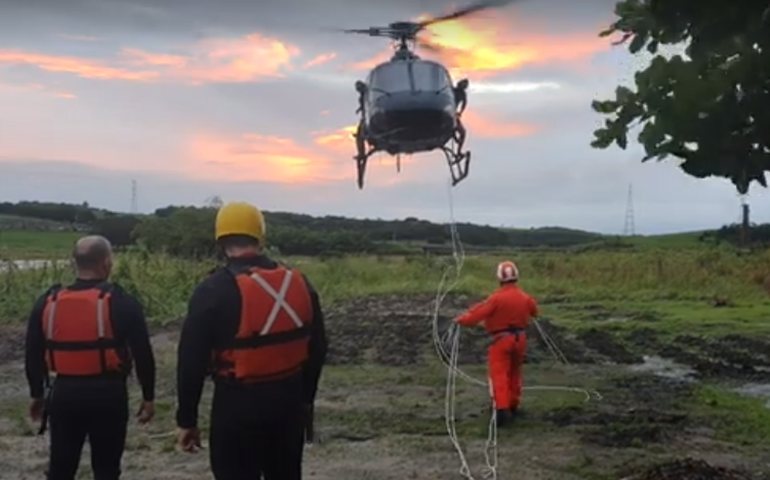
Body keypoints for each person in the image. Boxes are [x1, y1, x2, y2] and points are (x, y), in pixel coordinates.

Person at [176, 201, 328, 480]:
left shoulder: (212, 290)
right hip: (288, 405)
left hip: (236, 408)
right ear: (261, 237)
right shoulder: (300, 283)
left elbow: (191, 362)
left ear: (220, 240)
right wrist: (305, 401)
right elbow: (317, 348)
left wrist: (187, 420)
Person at [24, 235, 156, 480]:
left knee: (61, 467)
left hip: (64, 393)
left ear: (74, 262)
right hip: (108, 394)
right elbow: (143, 354)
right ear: (106, 263)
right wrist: (148, 397)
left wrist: (36, 394)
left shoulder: (48, 302)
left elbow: (33, 352)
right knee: (106, 468)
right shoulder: (123, 302)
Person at [454, 260, 538, 427]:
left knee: (499, 375)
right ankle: (513, 405)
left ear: (499, 278)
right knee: (515, 372)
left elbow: (475, 317)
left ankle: (501, 411)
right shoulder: (525, 297)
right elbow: (534, 312)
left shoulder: (496, 298)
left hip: (502, 341)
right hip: (520, 339)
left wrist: (461, 320)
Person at [452, 78, 469, 154]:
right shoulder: (452, 90)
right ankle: (455, 138)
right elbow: (464, 103)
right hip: (449, 114)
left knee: (463, 132)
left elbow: (464, 104)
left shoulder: (462, 94)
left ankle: (458, 151)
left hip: (453, 115)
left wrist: (460, 112)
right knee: (462, 132)